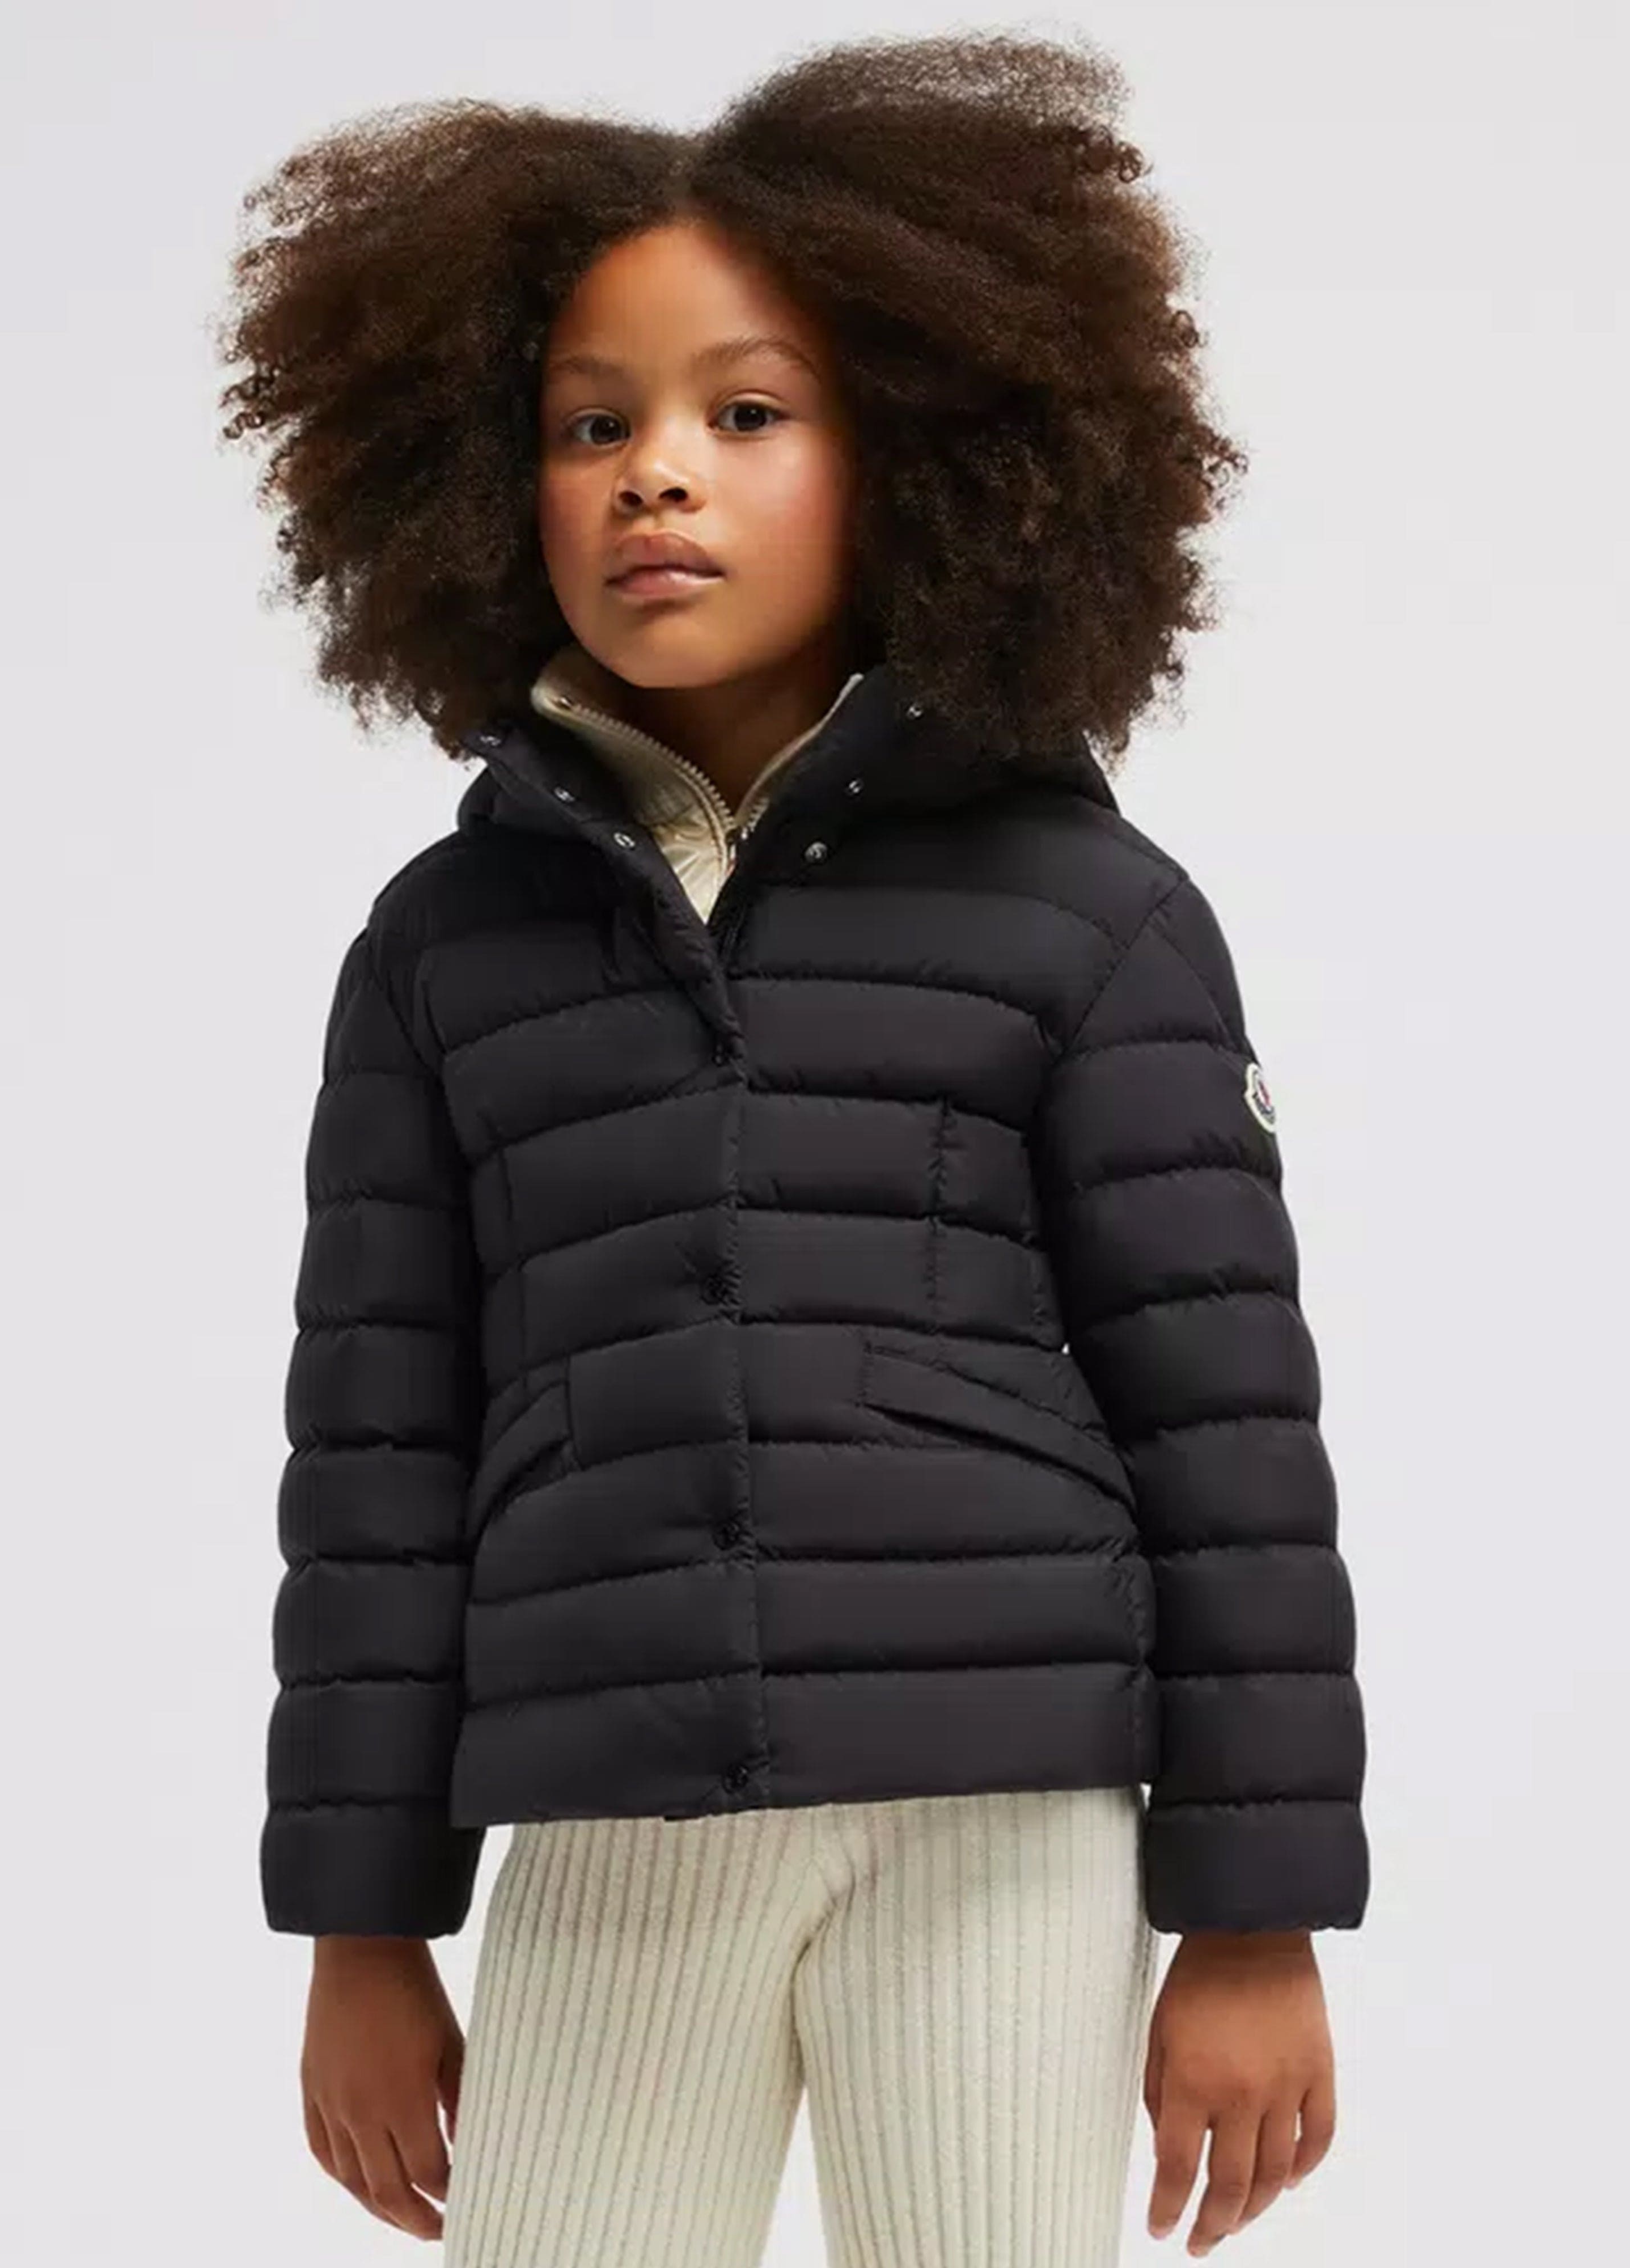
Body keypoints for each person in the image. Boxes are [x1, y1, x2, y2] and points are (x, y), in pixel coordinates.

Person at [218, 30, 1369, 2266]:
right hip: (606, 1822)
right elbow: (375, 1454)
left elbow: (1230, 1434)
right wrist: (363, 1928)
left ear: (923, 454)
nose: (657, 473)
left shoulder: (1094, 915)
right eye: (592, 424)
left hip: (1003, 1830)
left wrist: (1255, 1920)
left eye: (747, 414)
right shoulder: (445, 949)